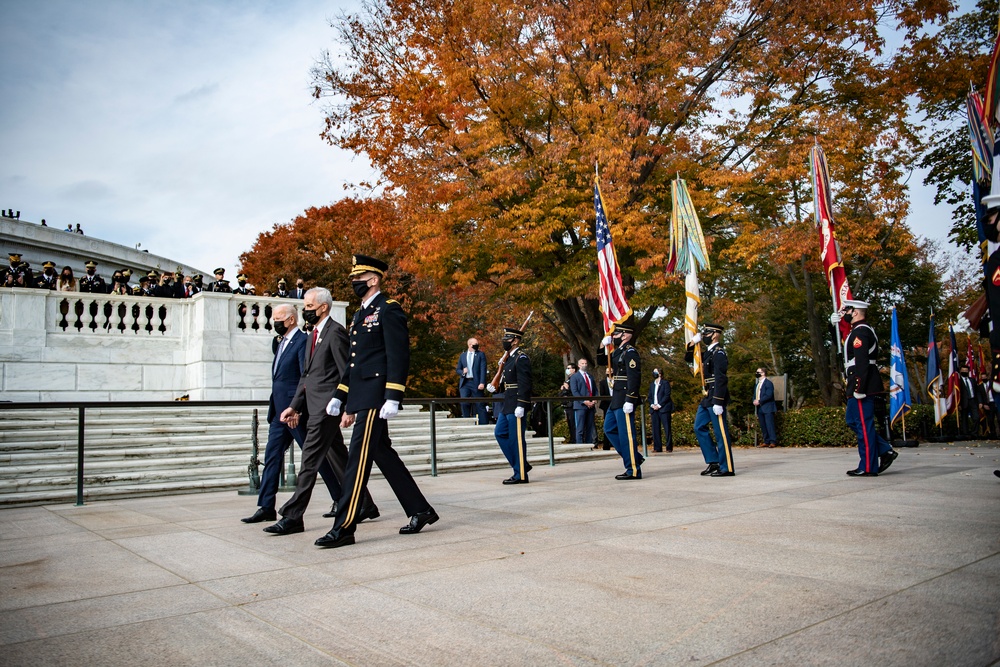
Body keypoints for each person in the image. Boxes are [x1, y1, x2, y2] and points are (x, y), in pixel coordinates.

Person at [314, 254, 438, 548]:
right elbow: (354, 364)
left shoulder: (389, 310)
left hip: (376, 398)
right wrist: (340, 395)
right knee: (383, 455)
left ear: (373, 279)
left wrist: (394, 395)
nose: (354, 283)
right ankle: (420, 510)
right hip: (361, 397)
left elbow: (398, 355)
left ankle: (344, 526)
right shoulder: (359, 315)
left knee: (356, 462)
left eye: (358, 278)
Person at [264, 287, 379, 536]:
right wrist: (294, 406)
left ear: (323, 307)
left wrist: (348, 407)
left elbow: (346, 371)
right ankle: (365, 504)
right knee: (338, 457)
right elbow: (306, 376)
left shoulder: (335, 333)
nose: (305, 311)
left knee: (309, 462)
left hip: (328, 408)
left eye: (309, 307)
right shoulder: (313, 334)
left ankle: (293, 516)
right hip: (313, 406)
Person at [242, 304, 342, 524]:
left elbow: (304, 378)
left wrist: (298, 408)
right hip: (280, 412)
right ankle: (266, 506)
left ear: (290, 320)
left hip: (296, 413)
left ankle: (340, 498)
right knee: (272, 457)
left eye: (278, 318)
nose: (274, 322)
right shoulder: (279, 342)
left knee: (314, 459)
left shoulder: (303, 341)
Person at [832, 299, 898, 476]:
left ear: (855, 312)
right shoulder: (857, 331)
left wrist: (859, 388)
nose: (844, 312)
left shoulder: (861, 332)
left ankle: (868, 466)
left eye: (846, 310)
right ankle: (885, 449)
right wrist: (835, 328)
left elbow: (861, 363)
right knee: (852, 421)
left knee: (863, 424)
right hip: (857, 382)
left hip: (862, 384)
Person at [485, 325, 533, 484]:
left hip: (517, 403)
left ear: (516, 341)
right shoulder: (509, 358)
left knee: (516, 439)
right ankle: (521, 464)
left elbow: (525, 384)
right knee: (500, 433)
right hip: (508, 402)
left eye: (508, 339)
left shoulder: (521, 357)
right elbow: (507, 381)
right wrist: (495, 386)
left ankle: (521, 475)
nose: (504, 341)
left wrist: (522, 404)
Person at [685, 323, 735, 477]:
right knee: (698, 427)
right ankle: (713, 461)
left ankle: (727, 467)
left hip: (715, 396)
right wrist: (693, 344)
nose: (704, 335)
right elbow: (688, 359)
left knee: (721, 433)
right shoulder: (707, 352)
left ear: (714, 334)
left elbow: (721, 378)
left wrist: (719, 401)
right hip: (707, 396)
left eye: (707, 333)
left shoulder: (719, 353)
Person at [600, 321, 644, 480]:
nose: (614, 337)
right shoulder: (619, 351)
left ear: (625, 335)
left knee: (626, 435)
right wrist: (602, 346)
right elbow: (602, 362)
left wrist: (630, 399)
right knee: (609, 428)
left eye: (616, 334)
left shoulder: (630, 352)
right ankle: (634, 457)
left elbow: (634, 378)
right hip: (616, 398)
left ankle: (633, 469)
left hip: (625, 397)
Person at [455, 337, 488, 423]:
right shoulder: (462, 356)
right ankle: (466, 423)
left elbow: (483, 369)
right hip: (465, 382)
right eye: (475, 344)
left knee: (479, 404)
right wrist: (462, 372)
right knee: (464, 403)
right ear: (470, 345)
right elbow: (457, 369)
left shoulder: (480, 354)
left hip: (476, 382)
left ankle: (484, 425)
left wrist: (482, 382)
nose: (477, 345)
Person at [569, 358, 596, 446]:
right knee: (580, 428)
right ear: (579, 365)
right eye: (582, 363)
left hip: (591, 406)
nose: (584, 365)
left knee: (589, 427)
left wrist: (594, 399)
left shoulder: (590, 376)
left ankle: (589, 445)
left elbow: (594, 389)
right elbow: (575, 391)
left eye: (586, 363)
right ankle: (580, 446)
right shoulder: (574, 377)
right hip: (580, 406)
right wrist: (584, 401)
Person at [648, 368, 673, 453]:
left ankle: (669, 447)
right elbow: (650, 396)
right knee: (655, 429)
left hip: (664, 408)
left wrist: (659, 405)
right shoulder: (652, 384)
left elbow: (667, 395)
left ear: (660, 373)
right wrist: (652, 405)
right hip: (654, 409)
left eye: (656, 371)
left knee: (667, 428)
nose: (654, 373)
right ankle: (657, 447)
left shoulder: (665, 383)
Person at [753, 366, 777, 447]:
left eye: (758, 372)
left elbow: (769, 395)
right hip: (760, 408)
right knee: (763, 425)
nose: (757, 374)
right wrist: (754, 400)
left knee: (769, 425)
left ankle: (772, 441)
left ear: (763, 373)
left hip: (768, 407)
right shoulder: (757, 384)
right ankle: (766, 441)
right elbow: (755, 394)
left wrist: (759, 401)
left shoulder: (768, 383)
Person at [559, 363, 578, 444]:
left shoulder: (575, 378)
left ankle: (575, 439)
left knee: (574, 423)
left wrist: (567, 389)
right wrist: (563, 390)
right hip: (567, 405)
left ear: (574, 369)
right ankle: (572, 438)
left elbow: (574, 391)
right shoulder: (568, 380)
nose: (567, 369)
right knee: (570, 423)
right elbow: (561, 393)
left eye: (569, 368)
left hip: (573, 404)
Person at [958, 364, 978, 437]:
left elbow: (977, 391)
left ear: (968, 371)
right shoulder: (958, 381)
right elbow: (957, 393)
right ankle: (965, 434)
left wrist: (980, 402)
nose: (964, 372)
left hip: (973, 401)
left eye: (966, 371)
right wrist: (958, 404)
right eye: (963, 370)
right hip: (963, 402)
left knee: (976, 417)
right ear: (960, 371)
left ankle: (974, 433)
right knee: (964, 418)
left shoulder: (972, 380)